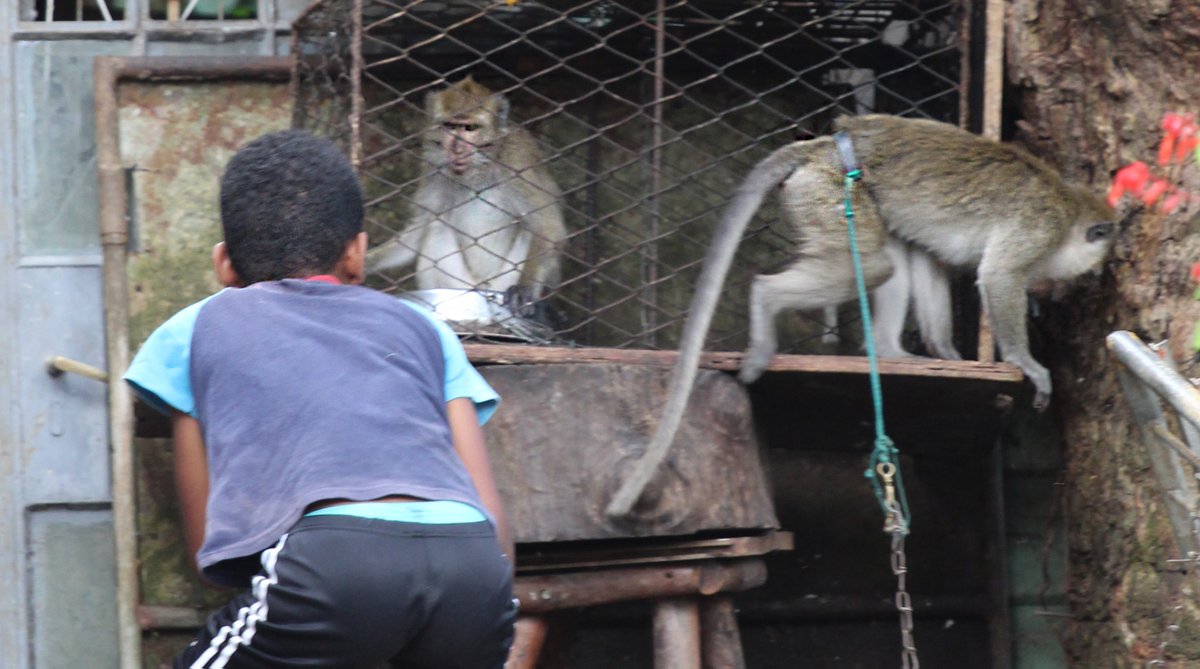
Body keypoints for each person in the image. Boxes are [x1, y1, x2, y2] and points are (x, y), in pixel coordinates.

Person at [124, 129, 517, 668]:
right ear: (357, 252)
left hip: (334, 560)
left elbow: (206, 548)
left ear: (223, 265)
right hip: (475, 568)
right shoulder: (424, 328)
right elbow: (491, 518)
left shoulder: (193, 329)